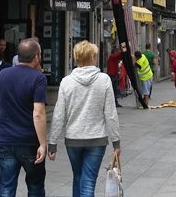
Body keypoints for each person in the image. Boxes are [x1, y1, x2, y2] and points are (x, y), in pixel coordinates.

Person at [48, 40, 121, 197]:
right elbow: (111, 113)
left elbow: (59, 114)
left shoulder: (66, 82)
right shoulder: (104, 80)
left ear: (76, 57)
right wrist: (116, 141)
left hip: (73, 139)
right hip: (96, 139)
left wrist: (52, 143)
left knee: (78, 177)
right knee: (88, 181)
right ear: (93, 57)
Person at [0, 38, 48, 196]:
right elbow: (38, 113)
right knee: (35, 187)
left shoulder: (3, 75)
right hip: (29, 141)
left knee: (7, 187)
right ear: (36, 56)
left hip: (6, 139)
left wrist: (2, 121)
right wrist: (43, 143)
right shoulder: (38, 78)